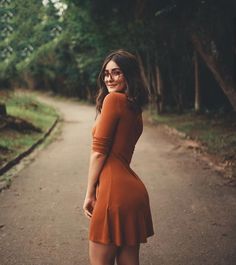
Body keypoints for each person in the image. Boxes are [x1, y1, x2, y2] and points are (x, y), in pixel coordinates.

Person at [83, 49, 154, 265]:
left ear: (129, 75)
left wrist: (89, 194)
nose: (109, 78)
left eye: (116, 73)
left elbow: (98, 152)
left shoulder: (113, 100)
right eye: (106, 73)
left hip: (113, 194)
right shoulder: (135, 107)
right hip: (133, 195)